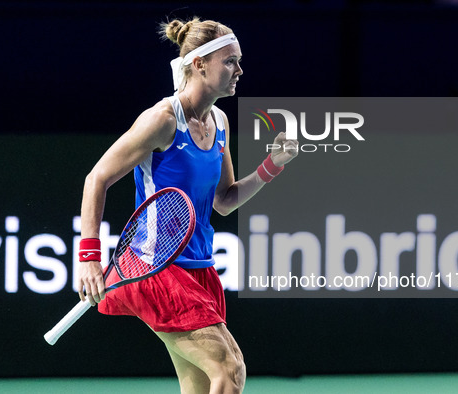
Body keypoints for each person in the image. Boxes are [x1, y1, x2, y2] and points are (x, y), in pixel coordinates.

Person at [76, 17, 298, 394]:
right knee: (230, 369)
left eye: (239, 61)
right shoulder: (161, 121)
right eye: (230, 61)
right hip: (154, 268)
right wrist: (88, 257)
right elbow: (96, 179)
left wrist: (270, 166)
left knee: (199, 385)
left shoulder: (221, 122)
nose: (240, 70)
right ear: (199, 64)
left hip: (199, 269)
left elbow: (224, 201)